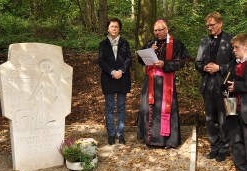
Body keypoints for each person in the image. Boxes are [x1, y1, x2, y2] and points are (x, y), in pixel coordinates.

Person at [137, 19, 190, 148]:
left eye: (160, 30)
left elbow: (182, 61)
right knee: (150, 110)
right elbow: (140, 59)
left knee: (165, 110)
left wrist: (165, 64)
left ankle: (166, 141)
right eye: (155, 30)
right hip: (150, 81)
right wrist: (149, 50)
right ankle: (150, 139)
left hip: (166, 82)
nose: (157, 32)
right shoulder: (150, 43)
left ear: (166, 29)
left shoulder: (176, 43)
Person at [195, 11, 234, 162]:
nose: (209, 28)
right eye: (207, 25)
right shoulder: (204, 41)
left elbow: (237, 63)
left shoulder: (231, 40)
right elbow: (197, 62)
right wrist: (203, 67)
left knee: (226, 117)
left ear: (220, 23)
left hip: (226, 85)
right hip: (207, 84)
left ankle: (225, 148)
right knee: (211, 118)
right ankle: (214, 146)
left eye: (212, 25)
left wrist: (220, 68)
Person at [98, 18, 132, 145]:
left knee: (122, 107)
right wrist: (112, 72)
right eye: (112, 26)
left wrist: (121, 71)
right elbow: (101, 61)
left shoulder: (125, 43)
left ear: (120, 29)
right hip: (108, 79)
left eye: (116, 26)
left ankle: (120, 133)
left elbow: (129, 59)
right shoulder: (102, 44)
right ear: (108, 28)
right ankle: (111, 134)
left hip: (123, 78)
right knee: (110, 107)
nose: (114, 28)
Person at [225, 33, 247, 171]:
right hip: (232, 105)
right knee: (236, 140)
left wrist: (237, 86)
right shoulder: (234, 63)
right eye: (233, 47)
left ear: (246, 47)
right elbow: (227, 80)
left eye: (236, 47)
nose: (233, 50)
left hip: (245, 109)